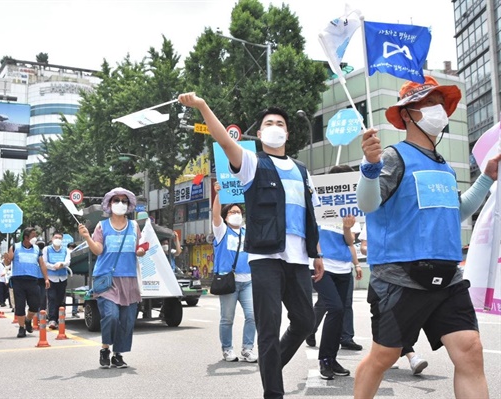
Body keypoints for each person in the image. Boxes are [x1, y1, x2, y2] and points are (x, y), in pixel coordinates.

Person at [354, 76, 498, 399]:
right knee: (384, 356)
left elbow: (455, 211)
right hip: (400, 278)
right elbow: (368, 204)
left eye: (439, 103)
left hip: (447, 278)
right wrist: (369, 167)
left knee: (470, 349)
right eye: (429, 103)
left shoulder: (445, 167)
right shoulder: (392, 157)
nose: (438, 110)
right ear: (407, 114)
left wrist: (487, 177)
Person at [179, 93, 323, 399]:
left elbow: (310, 213)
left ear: (287, 132)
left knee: (305, 322)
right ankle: (274, 392)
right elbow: (224, 140)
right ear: (259, 134)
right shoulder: (252, 163)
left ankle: (270, 367)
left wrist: (317, 253)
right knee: (268, 328)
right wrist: (204, 106)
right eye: (268, 123)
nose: (275, 127)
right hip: (265, 258)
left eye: (280, 123)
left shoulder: (301, 169)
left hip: (299, 259)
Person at [78, 187, 147, 369]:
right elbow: (98, 250)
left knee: (127, 320)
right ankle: (105, 348)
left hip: (129, 278)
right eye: (116, 200)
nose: (120, 204)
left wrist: (140, 251)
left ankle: (118, 354)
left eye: (124, 201)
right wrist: (87, 237)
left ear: (129, 205)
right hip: (107, 278)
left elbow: (139, 248)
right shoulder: (102, 226)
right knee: (111, 315)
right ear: (109, 204)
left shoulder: (134, 226)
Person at [357, 225, 428, 375]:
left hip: (406, 277)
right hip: (381, 279)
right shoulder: (372, 219)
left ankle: (397, 355)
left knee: (403, 318)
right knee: (383, 318)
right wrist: (379, 249)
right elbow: (363, 247)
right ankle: (408, 356)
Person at [212, 181, 257, 363]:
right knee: (227, 318)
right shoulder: (222, 230)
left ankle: (247, 349)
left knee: (253, 315)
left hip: (249, 281)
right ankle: (227, 349)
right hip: (229, 281)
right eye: (232, 212)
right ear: (226, 216)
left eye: (238, 212)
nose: (236, 214)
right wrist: (218, 195)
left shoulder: (248, 231)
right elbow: (215, 215)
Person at [311, 211, 357, 380]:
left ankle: (332, 358)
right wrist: (318, 256)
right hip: (322, 265)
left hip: (343, 267)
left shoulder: (347, 209)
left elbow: (350, 241)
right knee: (335, 308)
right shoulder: (318, 207)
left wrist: (346, 228)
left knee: (340, 312)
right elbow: (311, 233)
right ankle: (324, 359)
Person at [3, 227, 50, 338]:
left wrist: (46, 278)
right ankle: (21, 328)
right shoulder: (15, 247)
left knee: (35, 305)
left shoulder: (37, 249)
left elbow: (42, 264)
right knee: (20, 305)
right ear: (26, 237)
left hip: (33, 280)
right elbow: (7, 263)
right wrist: (6, 259)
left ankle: (28, 320)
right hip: (18, 280)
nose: (35, 238)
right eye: (33, 236)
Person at [42, 231, 71, 330]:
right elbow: (45, 263)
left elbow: (68, 261)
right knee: (52, 298)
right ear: (52, 239)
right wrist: (54, 267)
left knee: (60, 299)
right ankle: (52, 319)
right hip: (51, 278)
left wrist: (62, 264)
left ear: (62, 240)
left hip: (62, 277)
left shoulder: (66, 250)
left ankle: (60, 319)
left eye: (60, 238)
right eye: (56, 237)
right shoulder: (47, 249)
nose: (58, 239)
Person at [66, 242, 80, 318]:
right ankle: (74, 312)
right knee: (75, 296)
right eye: (71, 247)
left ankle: (74, 312)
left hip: (72, 276)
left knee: (75, 297)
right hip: (69, 275)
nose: (71, 249)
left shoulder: (75, 254)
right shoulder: (67, 253)